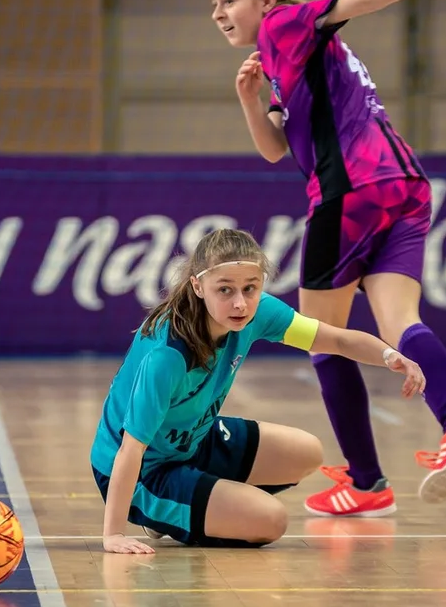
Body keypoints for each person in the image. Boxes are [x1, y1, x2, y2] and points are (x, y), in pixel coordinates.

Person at [208, 0, 446, 516]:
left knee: (322, 339)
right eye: (212, 5)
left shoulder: (286, 23)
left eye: (227, 0)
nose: (217, 14)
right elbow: (273, 149)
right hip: (406, 186)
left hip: (352, 194)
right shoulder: (286, 57)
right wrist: (250, 99)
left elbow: (358, 0)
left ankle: (367, 484)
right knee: (400, 322)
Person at [90, 228, 426, 554]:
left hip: (193, 440)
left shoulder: (258, 312)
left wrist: (390, 356)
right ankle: (171, 510)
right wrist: (114, 534)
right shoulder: (168, 356)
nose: (240, 304)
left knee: (306, 451)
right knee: (270, 521)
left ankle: (191, 504)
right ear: (198, 286)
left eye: (250, 289)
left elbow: (335, 339)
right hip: (141, 469)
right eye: (225, 290)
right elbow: (130, 451)